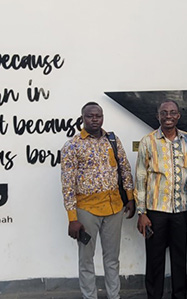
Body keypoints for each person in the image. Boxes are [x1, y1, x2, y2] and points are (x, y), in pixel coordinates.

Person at [61, 102, 136, 299]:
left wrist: (130, 197)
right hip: (86, 210)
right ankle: (89, 296)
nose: (94, 119)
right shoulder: (72, 146)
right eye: (90, 116)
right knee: (86, 259)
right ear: (82, 118)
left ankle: (114, 295)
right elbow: (67, 184)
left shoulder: (112, 140)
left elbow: (125, 169)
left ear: (103, 117)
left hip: (114, 208)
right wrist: (72, 218)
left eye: (98, 115)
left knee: (112, 258)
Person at [135, 100, 187, 299]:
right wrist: (142, 213)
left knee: (180, 258)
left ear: (178, 116)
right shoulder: (147, 141)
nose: (168, 116)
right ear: (157, 116)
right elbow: (141, 177)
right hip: (155, 211)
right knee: (154, 259)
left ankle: (180, 296)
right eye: (164, 113)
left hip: (181, 210)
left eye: (172, 112)